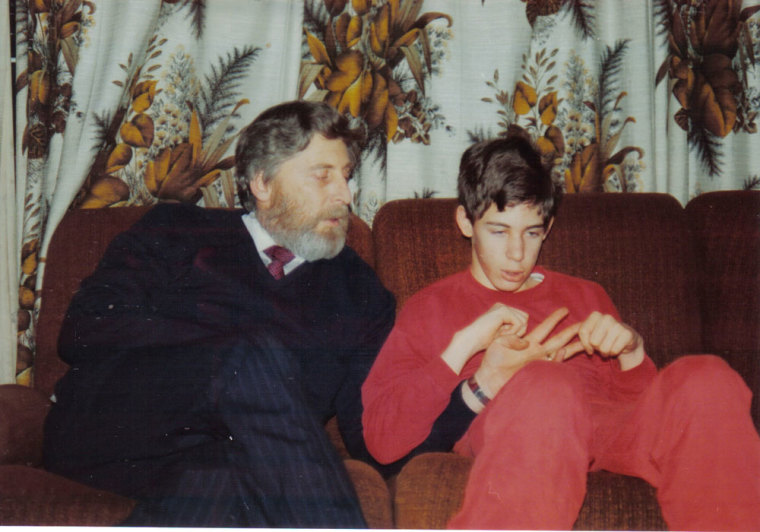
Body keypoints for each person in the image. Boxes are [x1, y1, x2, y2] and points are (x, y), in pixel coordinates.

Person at [361, 135, 760, 530]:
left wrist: (631, 352)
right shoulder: (430, 308)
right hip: (526, 427)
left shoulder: (585, 294)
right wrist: (467, 348)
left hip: (602, 426)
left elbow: (638, 415)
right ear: (467, 221)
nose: (517, 253)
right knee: (547, 384)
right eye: (499, 231)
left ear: (548, 227)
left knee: (708, 378)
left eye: (532, 232)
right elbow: (382, 437)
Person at [43, 100, 396, 527]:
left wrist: (474, 393)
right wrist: (225, 354)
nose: (345, 194)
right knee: (249, 355)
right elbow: (84, 329)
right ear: (262, 184)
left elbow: (372, 436)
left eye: (346, 176)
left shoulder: (360, 292)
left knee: (221, 482)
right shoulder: (175, 230)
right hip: (115, 434)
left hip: (232, 461)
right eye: (323, 176)